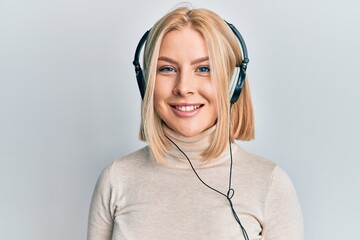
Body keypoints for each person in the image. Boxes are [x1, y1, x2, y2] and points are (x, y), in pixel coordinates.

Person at [87, 5, 304, 240]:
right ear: (146, 83)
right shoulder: (116, 179)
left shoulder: (270, 184)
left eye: (204, 68)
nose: (183, 87)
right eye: (167, 69)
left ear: (233, 84)